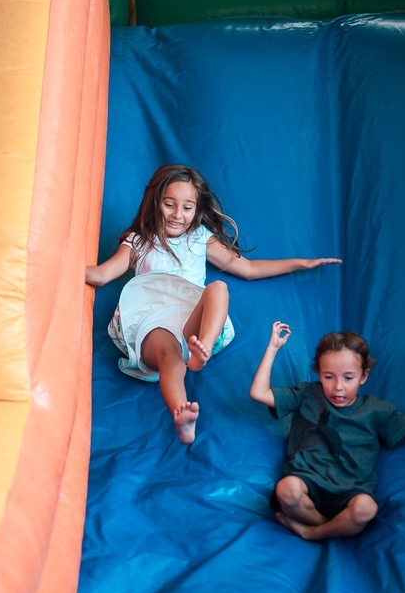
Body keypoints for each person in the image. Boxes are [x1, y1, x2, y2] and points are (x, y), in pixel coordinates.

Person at [86, 164, 341, 444]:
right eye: (169, 204)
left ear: (196, 209)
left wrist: (301, 263)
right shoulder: (140, 241)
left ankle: (200, 352)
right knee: (170, 357)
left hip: (192, 322)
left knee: (218, 288)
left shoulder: (200, 238)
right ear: (155, 201)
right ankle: (181, 416)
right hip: (153, 321)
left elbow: (250, 268)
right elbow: (101, 275)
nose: (177, 215)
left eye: (187, 207)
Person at [249, 321, 405, 540]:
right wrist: (273, 348)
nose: (338, 387)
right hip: (307, 483)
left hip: (349, 492)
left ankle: (312, 532)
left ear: (364, 376)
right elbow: (258, 393)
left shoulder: (376, 409)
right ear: (319, 374)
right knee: (286, 489)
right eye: (328, 376)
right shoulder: (308, 394)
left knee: (366, 509)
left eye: (348, 378)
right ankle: (334, 527)